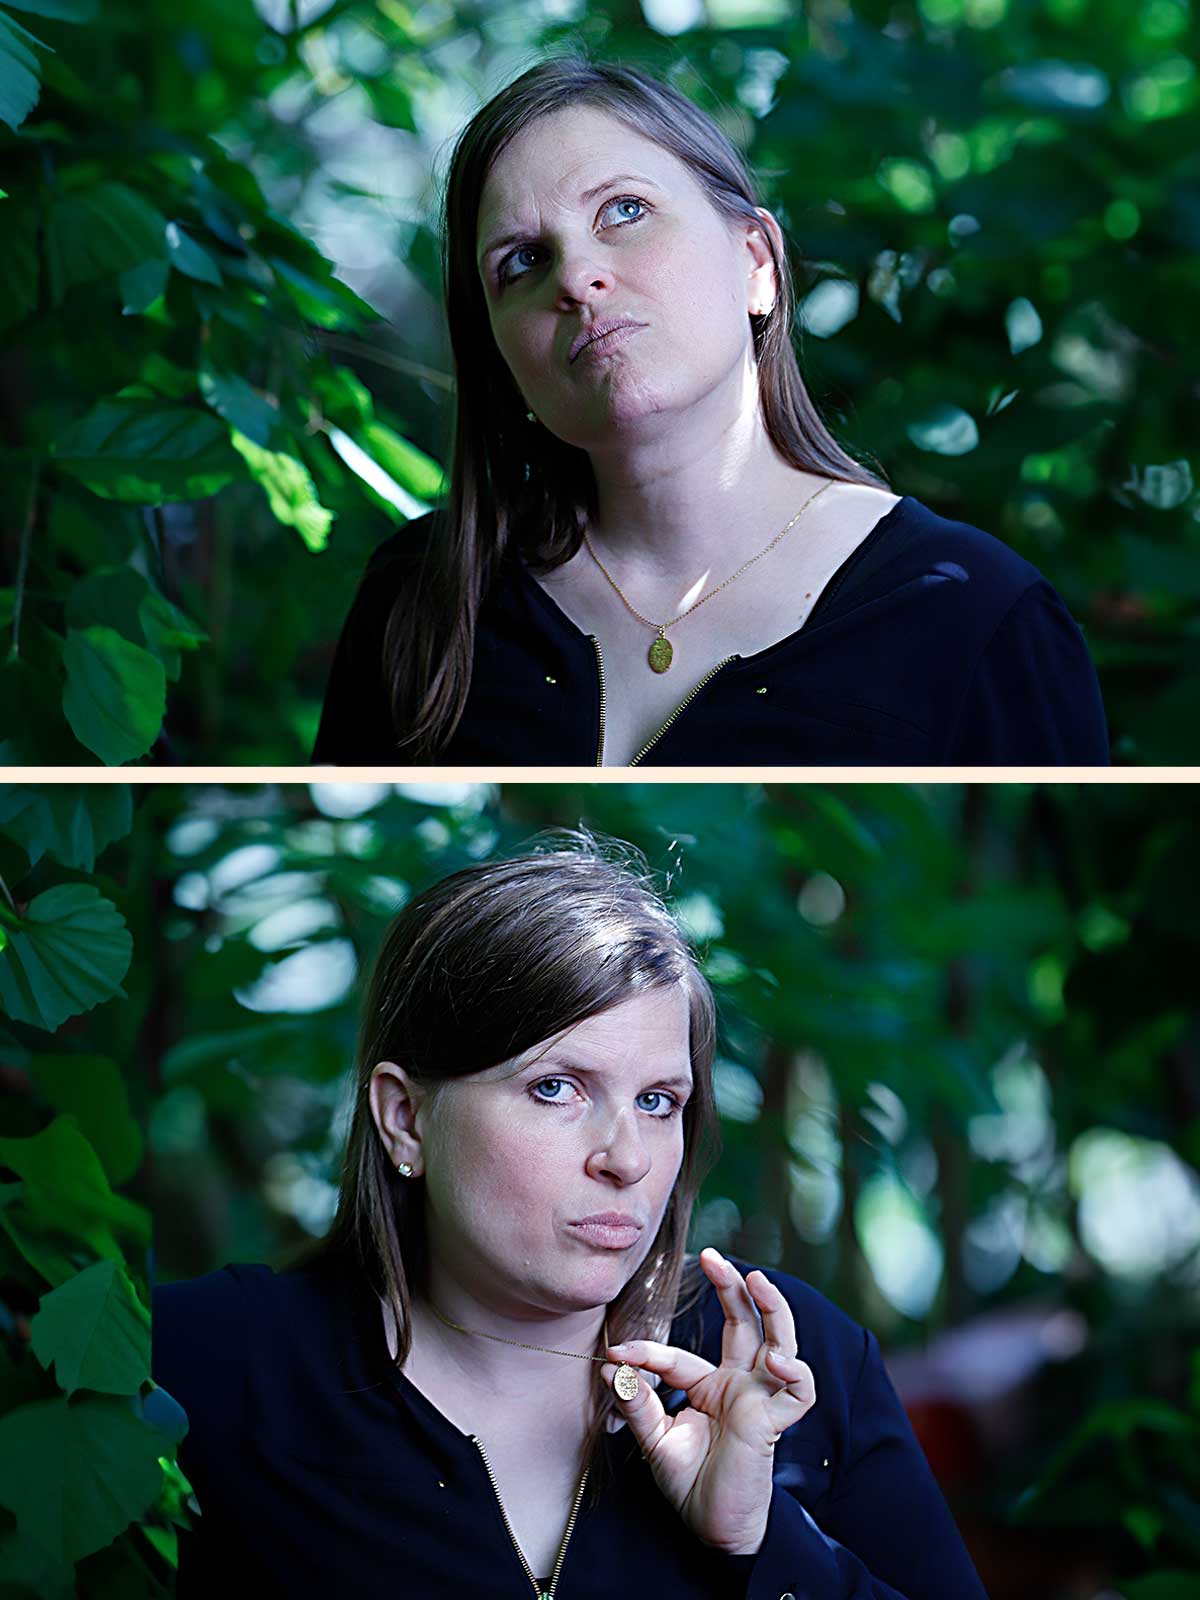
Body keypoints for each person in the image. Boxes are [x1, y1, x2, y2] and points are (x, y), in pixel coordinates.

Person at [151, 833, 992, 1598]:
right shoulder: (213, 1366)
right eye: (557, 1088)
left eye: (660, 1102)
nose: (626, 1159)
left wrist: (758, 1541)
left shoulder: (796, 1367)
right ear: (406, 1117)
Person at [310, 53, 1108, 768]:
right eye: (520, 261)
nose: (576, 276)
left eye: (623, 211)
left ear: (756, 262)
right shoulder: (420, 597)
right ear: (498, 350)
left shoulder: (975, 616)